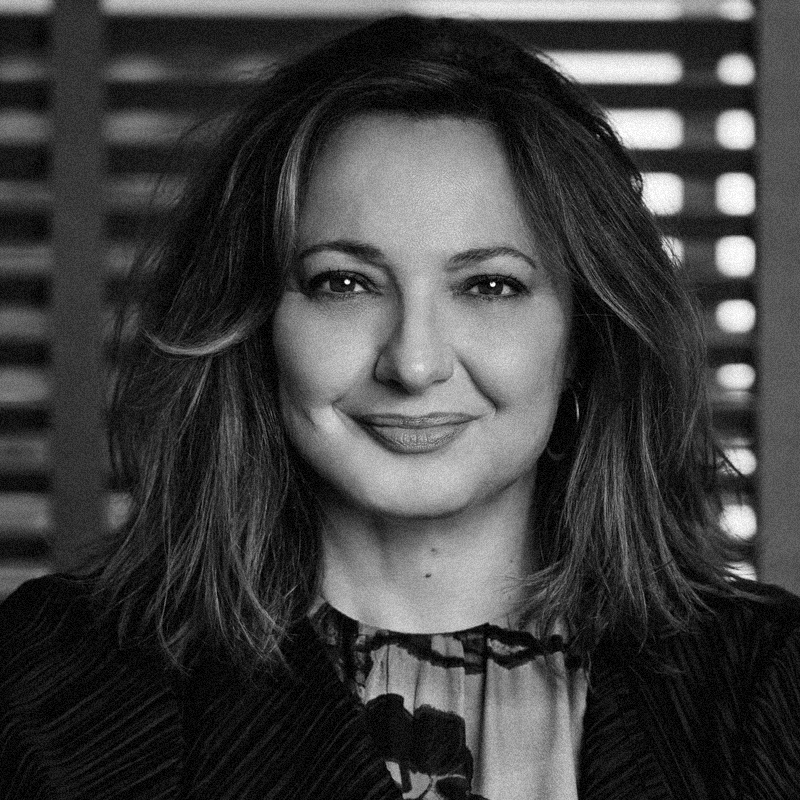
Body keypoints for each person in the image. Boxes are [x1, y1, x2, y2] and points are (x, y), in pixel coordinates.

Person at [1, 14, 798, 800]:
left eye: (489, 285)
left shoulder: (768, 687)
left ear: (584, 336)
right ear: (254, 323)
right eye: (345, 283)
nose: (414, 364)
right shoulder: (57, 684)